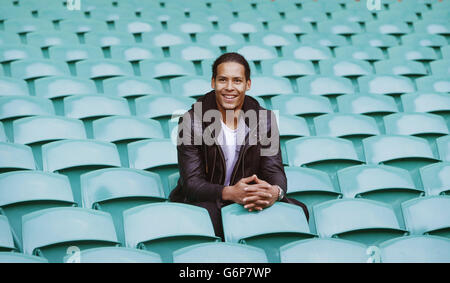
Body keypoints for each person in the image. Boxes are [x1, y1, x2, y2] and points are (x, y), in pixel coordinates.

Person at [169, 52, 308, 239]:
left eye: (237, 81)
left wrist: (274, 192)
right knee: (213, 219)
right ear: (213, 82)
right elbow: (192, 184)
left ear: (247, 84)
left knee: (298, 211)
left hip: (247, 198)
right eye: (223, 80)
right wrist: (230, 193)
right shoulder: (191, 120)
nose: (229, 88)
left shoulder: (264, 120)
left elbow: (274, 170)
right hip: (209, 199)